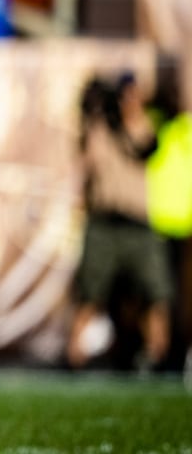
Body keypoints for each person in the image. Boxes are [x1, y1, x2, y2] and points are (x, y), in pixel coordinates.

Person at [66, 72, 173, 371]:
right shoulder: (100, 129)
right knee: (89, 294)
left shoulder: (144, 125)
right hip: (104, 223)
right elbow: (87, 159)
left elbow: (148, 147)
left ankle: (156, 356)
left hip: (139, 224)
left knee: (156, 294)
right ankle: (75, 358)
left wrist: (127, 118)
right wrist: (96, 112)